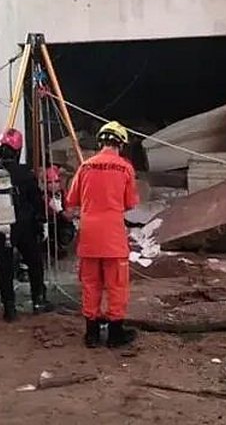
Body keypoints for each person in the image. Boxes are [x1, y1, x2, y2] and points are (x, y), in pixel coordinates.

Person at [65, 121, 139, 348]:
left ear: (101, 142)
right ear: (121, 144)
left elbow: (71, 200)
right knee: (116, 286)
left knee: (90, 284)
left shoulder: (85, 166)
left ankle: (92, 334)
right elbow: (130, 203)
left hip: (89, 238)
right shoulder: (125, 168)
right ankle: (115, 334)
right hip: (113, 238)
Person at [0, 128, 53, 322]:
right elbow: (37, 200)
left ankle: (9, 309)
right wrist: (42, 222)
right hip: (25, 226)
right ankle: (38, 301)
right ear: (18, 151)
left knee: (4, 267)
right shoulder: (26, 175)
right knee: (34, 262)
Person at [43, 165, 75, 259]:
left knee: (66, 231)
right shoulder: (44, 196)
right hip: (48, 222)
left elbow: (68, 206)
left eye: (56, 182)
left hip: (60, 220)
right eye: (50, 182)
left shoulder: (63, 193)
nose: (54, 185)